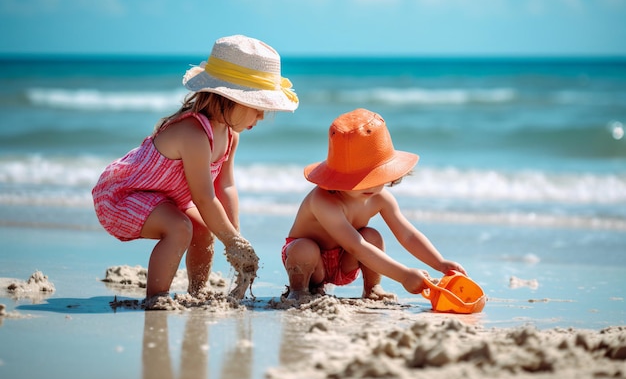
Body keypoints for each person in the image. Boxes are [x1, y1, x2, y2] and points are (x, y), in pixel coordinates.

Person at [92, 35, 298, 304]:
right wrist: (230, 240)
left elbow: (224, 187)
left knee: (202, 228)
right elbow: (203, 197)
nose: (261, 117)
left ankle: (197, 291)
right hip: (123, 197)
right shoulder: (193, 134)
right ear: (227, 98)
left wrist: (234, 235)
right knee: (180, 228)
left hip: (164, 200)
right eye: (257, 108)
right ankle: (157, 298)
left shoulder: (231, 136)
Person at [282, 108, 465, 300]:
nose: (370, 185)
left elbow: (408, 235)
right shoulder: (323, 201)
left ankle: (372, 288)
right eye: (360, 178)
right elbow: (355, 245)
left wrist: (440, 263)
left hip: (345, 262)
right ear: (338, 177)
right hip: (310, 263)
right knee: (304, 248)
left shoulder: (380, 199)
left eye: (376, 176)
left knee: (372, 236)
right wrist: (403, 276)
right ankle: (299, 290)